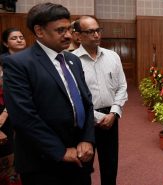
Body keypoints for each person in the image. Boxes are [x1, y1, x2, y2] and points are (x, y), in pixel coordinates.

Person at [2, 3, 95, 185]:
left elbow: (87, 103)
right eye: (60, 30)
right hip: (43, 162)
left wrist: (87, 138)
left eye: (68, 29)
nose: (68, 35)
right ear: (39, 31)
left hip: (80, 156)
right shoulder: (19, 64)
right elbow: (24, 117)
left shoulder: (73, 60)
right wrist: (59, 150)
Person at [72, 15, 128, 185]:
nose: (96, 35)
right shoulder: (71, 61)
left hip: (110, 117)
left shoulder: (113, 56)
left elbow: (122, 86)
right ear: (78, 36)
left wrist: (114, 112)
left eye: (98, 30)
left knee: (110, 164)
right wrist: (96, 117)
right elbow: (73, 96)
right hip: (84, 118)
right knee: (83, 165)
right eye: (90, 31)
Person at [0, 27, 26, 185]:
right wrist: (4, 113)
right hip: (5, 111)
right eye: (14, 38)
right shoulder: (2, 61)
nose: (19, 40)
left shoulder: (31, 59)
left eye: (21, 37)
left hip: (25, 111)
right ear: (5, 43)